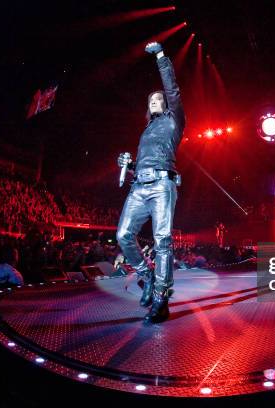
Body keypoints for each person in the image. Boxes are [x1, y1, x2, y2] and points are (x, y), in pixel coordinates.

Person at [116, 41, 185, 324]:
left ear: (166, 104)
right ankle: (146, 277)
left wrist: (160, 56)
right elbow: (141, 164)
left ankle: (161, 297)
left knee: (162, 241)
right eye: (151, 101)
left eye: (158, 100)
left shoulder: (174, 121)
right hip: (139, 186)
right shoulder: (146, 131)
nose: (154, 102)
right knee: (122, 235)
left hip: (161, 186)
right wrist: (129, 165)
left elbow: (172, 88)